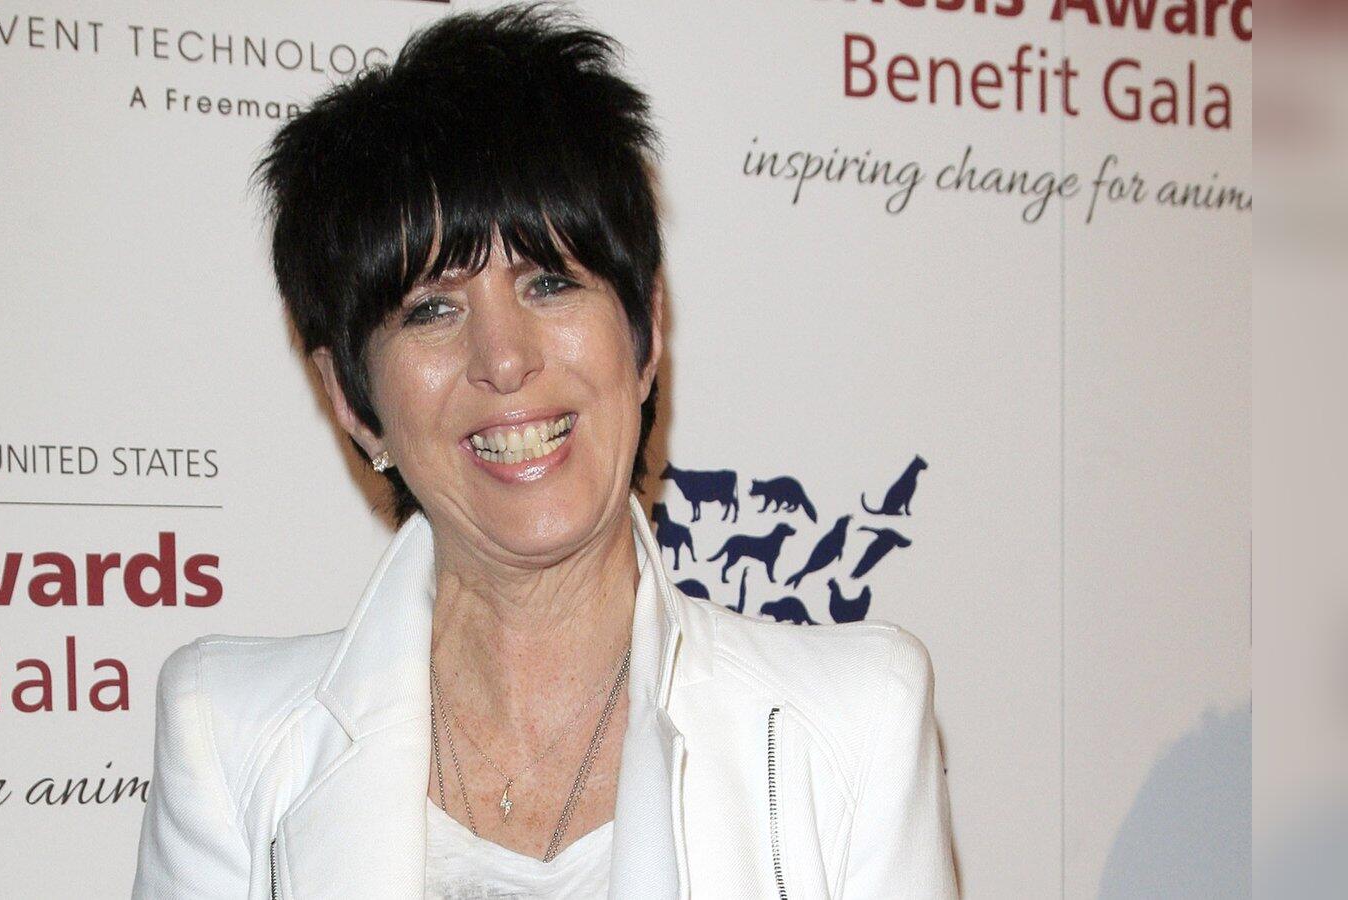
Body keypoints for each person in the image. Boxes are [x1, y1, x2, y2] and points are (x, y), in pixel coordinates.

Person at [132, 4, 958, 897]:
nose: (505, 359)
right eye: (431, 309)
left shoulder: (849, 724)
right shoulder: (231, 738)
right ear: (354, 402)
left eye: (550, 282)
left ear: (645, 332)